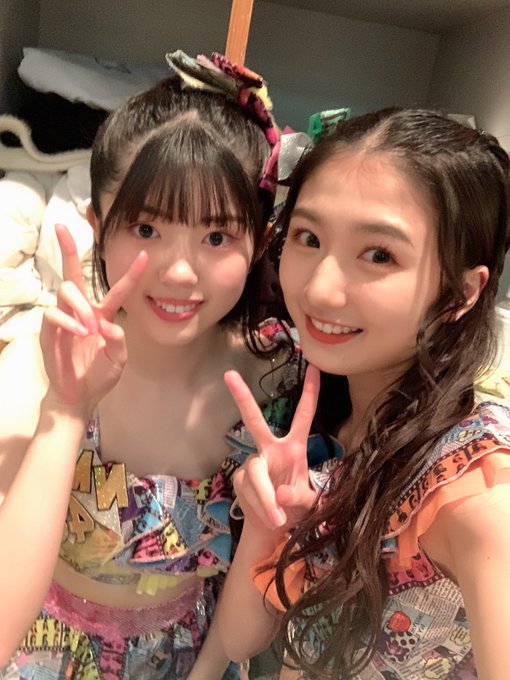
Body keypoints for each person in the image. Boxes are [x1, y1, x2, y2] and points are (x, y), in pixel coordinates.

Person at [0, 52, 305, 680]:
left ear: (259, 242)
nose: (180, 272)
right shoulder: (42, 358)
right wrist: (65, 410)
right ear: (96, 225)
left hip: (194, 656)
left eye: (216, 236)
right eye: (144, 228)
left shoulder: (277, 376)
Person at [216, 108, 510, 679]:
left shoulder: (474, 494)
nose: (320, 289)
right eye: (309, 238)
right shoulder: (330, 413)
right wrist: (267, 521)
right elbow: (239, 639)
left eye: (379, 254)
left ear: (460, 294)